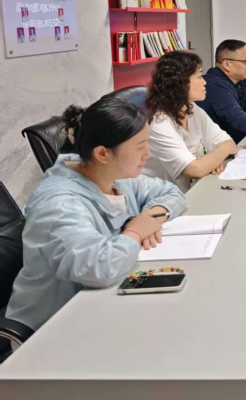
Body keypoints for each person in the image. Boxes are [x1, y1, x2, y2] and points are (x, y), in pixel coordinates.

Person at [6, 96, 187, 331]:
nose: (147, 154)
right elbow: (99, 267)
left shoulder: (111, 174)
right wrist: (135, 232)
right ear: (102, 153)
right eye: (140, 147)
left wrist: (149, 216)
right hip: (54, 328)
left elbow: (172, 193)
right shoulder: (58, 205)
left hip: (107, 307)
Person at [143, 51, 239, 192]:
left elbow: (229, 143)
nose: (204, 82)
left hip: (191, 191)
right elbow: (195, 169)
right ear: (180, 82)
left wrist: (213, 160)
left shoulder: (191, 108)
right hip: (161, 199)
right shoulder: (159, 123)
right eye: (199, 77)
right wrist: (217, 156)